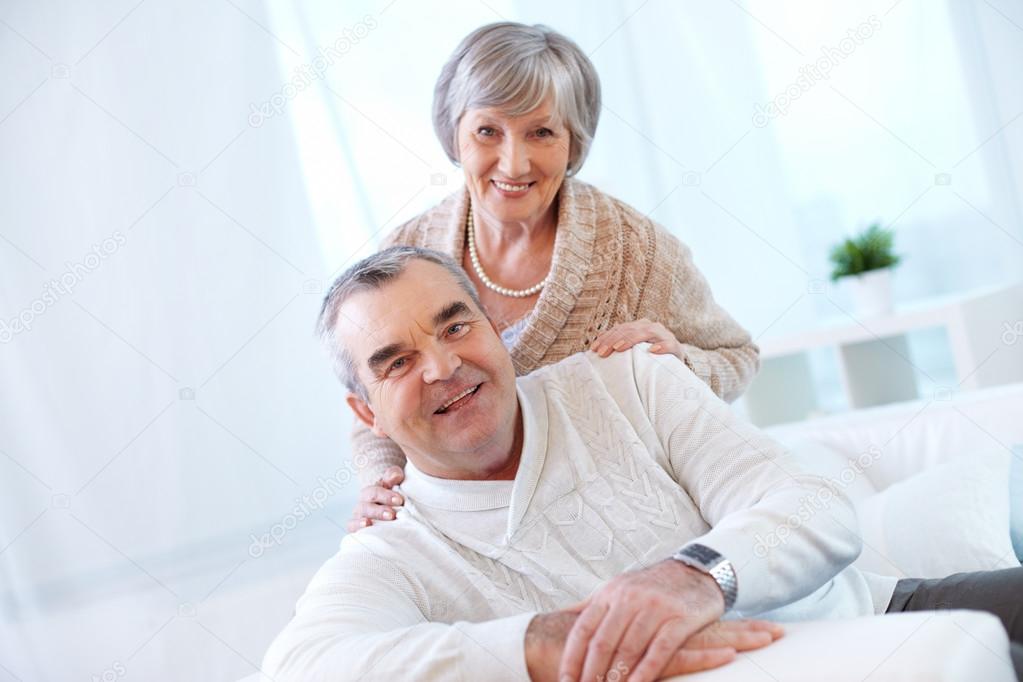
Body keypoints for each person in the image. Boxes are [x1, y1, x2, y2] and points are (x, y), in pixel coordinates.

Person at [263, 245, 1023, 681]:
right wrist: (548, 641)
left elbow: (813, 503)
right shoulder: (393, 544)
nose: (441, 366)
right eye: (396, 362)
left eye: (455, 325)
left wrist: (692, 577)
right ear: (364, 411)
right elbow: (302, 669)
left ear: (494, 330)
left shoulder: (625, 379)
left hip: (875, 613)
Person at [348, 21, 761, 531]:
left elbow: (738, 358)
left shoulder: (640, 251)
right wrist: (380, 482)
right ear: (454, 134)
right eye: (487, 131)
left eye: (541, 132)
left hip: (627, 524)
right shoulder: (404, 251)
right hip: (475, 529)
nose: (513, 161)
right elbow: (375, 399)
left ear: (573, 143)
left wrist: (678, 364)